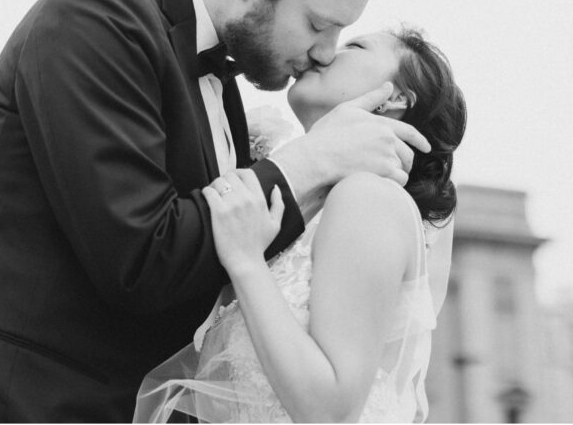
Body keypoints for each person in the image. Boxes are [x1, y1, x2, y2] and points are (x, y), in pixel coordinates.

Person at [0, 0, 430, 422]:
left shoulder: (223, 89)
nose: (326, 51)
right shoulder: (100, 12)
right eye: (318, 25)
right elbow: (139, 260)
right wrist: (313, 159)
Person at [134, 28, 466, 423]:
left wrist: (246, 262)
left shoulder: (369, 196)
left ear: (395, 98)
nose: (324, 54)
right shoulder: (310, 211)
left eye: (354, 46)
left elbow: (331, 410)